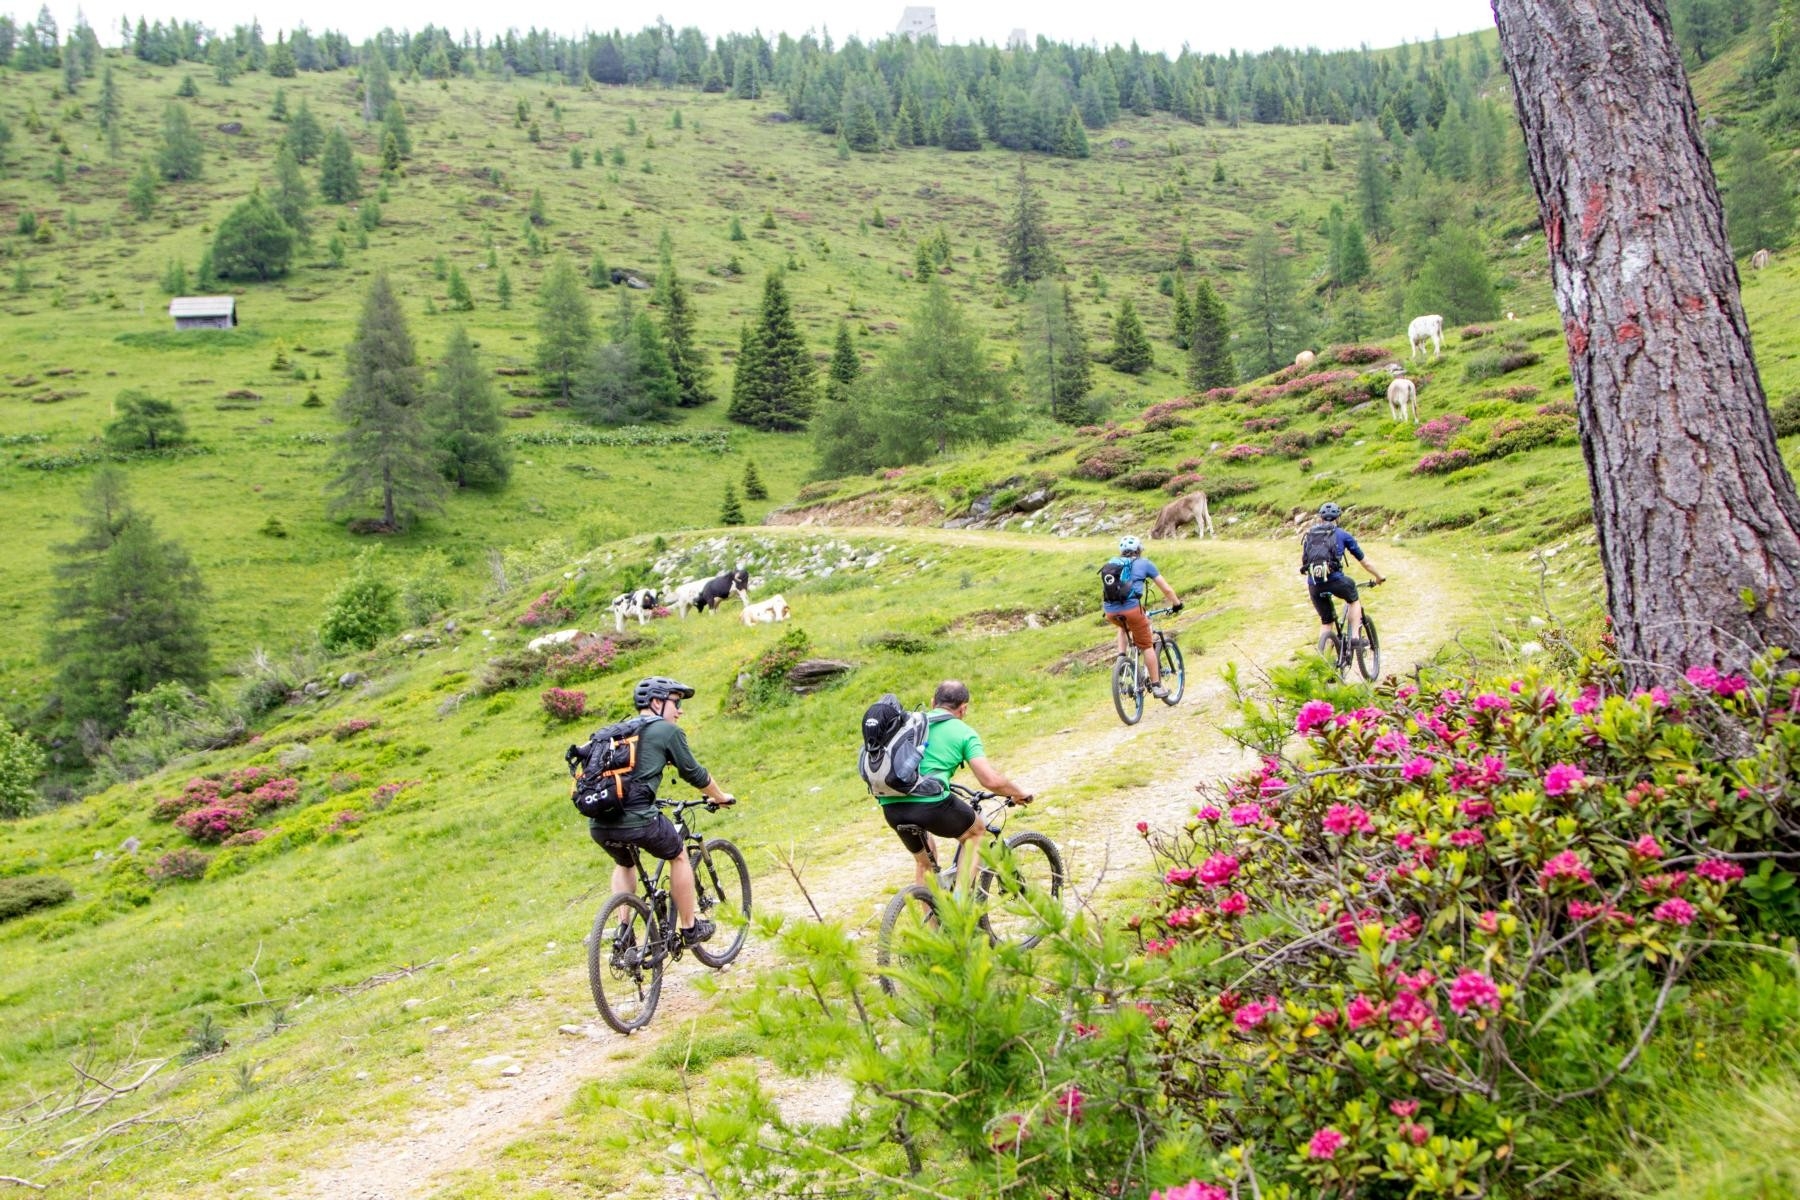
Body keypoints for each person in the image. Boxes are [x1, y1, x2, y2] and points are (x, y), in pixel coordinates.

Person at [589, 677, 736, 946]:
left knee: (624, 863)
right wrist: (720, 797)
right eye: (676, 702)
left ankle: (624, 931)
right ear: (657, 702)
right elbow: (695, 774)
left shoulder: (618, 732)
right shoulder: (666, 732)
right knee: (679, 855)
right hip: (639, 820)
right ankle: (690, 928)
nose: (679, 710)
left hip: (600, 823)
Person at [879, 680, 1033, 894]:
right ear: (964, 708)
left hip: (891, 805)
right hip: (930, 804)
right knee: (976, 832)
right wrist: (1019, 793)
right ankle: (960, 910)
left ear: (933, 702)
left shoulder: (909, 723)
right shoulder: (964, 732)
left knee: (925, 863)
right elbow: (991, 781)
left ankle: (931, 926)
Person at [1102, 535, 1183, 699]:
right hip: (1132, 609)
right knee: (1147, 645)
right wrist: (1176, 604)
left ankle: (1122, 659)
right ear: (1139, 550)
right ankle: (1157, 685)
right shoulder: (1145, 563)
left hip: (1110, 611)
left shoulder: (1112, 564)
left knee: (1123, 626)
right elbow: (1166, 589)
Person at [1300, 503, 1386, 647]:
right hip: (1335, 580)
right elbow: (1365, 563)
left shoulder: (1310, 535)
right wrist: (1379, 577)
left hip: (1314, 584)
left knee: (1326, 622)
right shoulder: (1343, 534)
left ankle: (1323, 659)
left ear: (1320, 518)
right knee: (1353, 599)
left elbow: (1305, 561)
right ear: (1338, 517)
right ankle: (1354, 638)